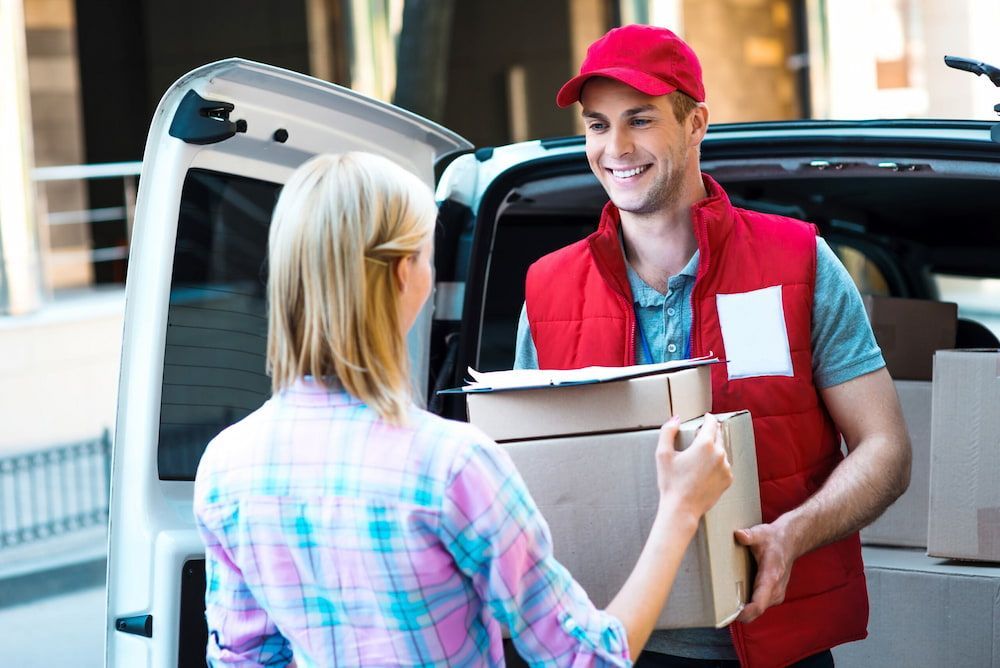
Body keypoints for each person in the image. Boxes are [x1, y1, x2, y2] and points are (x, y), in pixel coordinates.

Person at [193, 151, 733, 667]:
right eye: (429, 254)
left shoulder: (225, 465)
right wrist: (680, 509)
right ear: (404, 273)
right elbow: (586, 658)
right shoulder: (452, 464)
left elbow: (242, 657)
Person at [514, 25, 912, 668]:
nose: (615, 148)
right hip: (614, 643)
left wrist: (792, 536)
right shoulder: (547, 289)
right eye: (597, 125)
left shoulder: (798, 262)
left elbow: (886, 450)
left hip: (775, 644)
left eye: (639, 120)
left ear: (695, 122)